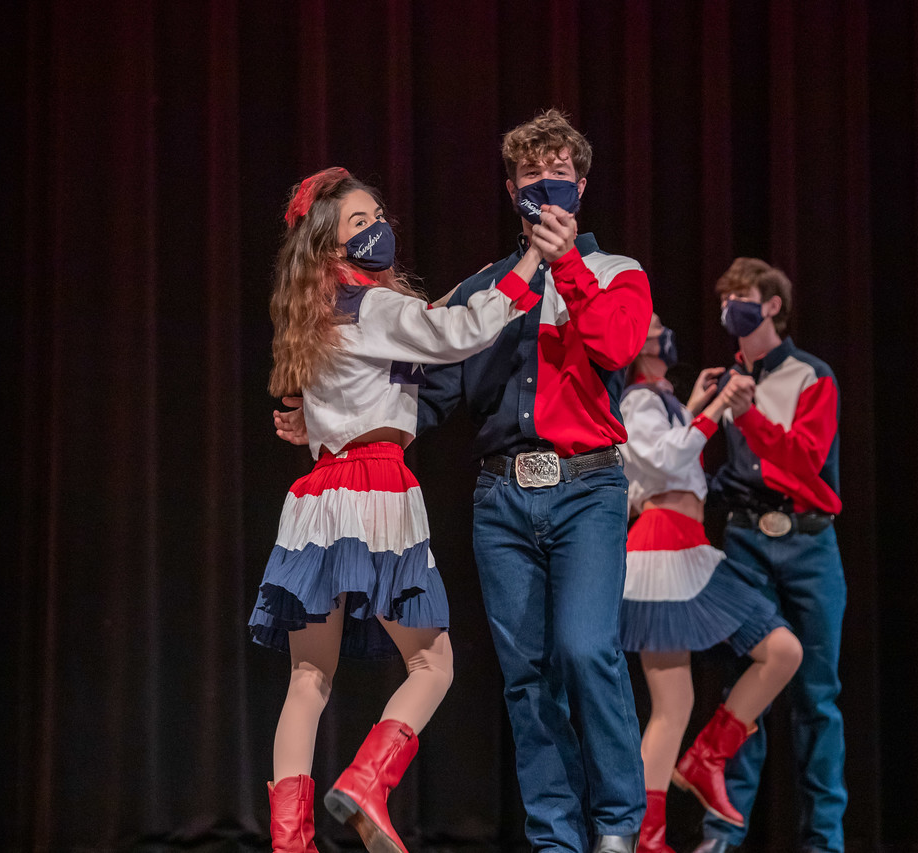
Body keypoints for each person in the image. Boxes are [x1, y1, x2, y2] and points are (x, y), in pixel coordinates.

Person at [278, 110, 652, 853]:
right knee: (527, 675)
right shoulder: (484, 288)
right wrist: (330, 418)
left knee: (586, 650)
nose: (545, 184)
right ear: (511, 189)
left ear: (581, 185)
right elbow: (426, 392)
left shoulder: (618, 272)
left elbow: (617, 345)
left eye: (559, 173)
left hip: (586, 490)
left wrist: (565, 267)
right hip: (502, 498)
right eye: (530, 173)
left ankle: (616, 826)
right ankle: (556, 840)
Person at [251, 167, 541, 853]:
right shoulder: (372, 307)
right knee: (433, 665)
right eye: (358, 221)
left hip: (319, 495)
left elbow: (380, 363)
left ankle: (291, 842)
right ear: (331, 244)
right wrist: (531, 260)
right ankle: (367, 781)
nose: (376, 226)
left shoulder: (317, 314)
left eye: (377, 214)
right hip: (377, 487)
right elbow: (460, 334)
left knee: (308, 677)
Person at [617, 314, 803, 853]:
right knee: (681, 702)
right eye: (653, 327)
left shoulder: (659, 401)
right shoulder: (635, 401)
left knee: (688, 698)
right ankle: (655, 828)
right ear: (637, 345)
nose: (662, 332)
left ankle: (702, 765)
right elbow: (661, 461)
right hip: (662, 549)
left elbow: (671, 450)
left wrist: (695, 404)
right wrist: (715, 407)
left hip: (684, 544)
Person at [693, 258, 846, 853]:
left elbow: (805, 460)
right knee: (744, 687)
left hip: (808, 543)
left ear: (773, 306)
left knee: (817, 698)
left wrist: (745, 413)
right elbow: (692, 457)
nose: (729, 307)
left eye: (742, 296)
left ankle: (824, 841)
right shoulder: (726, 379)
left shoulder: (813, 376)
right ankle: (722, 835)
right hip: (745, 541)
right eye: (724, 298)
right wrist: (701, 408)